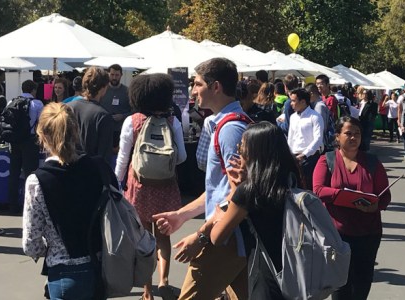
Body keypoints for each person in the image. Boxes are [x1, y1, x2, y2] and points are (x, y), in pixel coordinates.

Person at [152, 58, 249, 300]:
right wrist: (182, 215)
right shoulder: (228, 125)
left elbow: (239, 193)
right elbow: (221, 189)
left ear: (215, 86)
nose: (193, 91)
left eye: (197, 84)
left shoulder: (230, 130)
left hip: (225, 237)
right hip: (232, 236)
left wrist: (201, 236)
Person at [22, 103, 109, 299]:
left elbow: (30, 243)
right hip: (99, 268)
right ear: (76, 130)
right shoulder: (97, 168)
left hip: (63, 272)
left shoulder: (37, 181)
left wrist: (50, 247)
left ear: (41, 135)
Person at [205, 121, 300, 299]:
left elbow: (217, 237)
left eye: (241, 147)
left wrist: (232, 194)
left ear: (254, 152)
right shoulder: (291, 179)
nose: (239, 151)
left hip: (265, 275)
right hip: (297, 270)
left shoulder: (249, 192)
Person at [114, 73, 186, 300]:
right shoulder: (173, 121)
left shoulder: (132, 121)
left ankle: (147, 290)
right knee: (163, 236)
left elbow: (123, 159)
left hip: (139, 187)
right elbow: (182, 156)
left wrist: (117, 184)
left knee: (144, 239)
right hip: (166, 186)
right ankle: (164, 280)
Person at [313, 116, 391, 300]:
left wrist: (375, 205)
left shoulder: (372, 163)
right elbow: (317, 190)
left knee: (362, 282)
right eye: (348, 133)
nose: (354, 137)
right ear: (337, 136)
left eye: (357, 133)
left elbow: (385, 195)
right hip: (337, 234)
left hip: (368, 233)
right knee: (340, 285)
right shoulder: (327, 160)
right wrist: (343, 197)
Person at [7, 80, 44, 214]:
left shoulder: (11, 102)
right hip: (29, 141)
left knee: (14, 173)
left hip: (14, 141)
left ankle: (12, 205)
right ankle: (29, 206)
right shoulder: (37, 103)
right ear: (33, 90)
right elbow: (42, 123)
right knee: (30, 174)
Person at [67, 67, 114, 164]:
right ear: (103, 88)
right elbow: (104, 156)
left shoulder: (68, 108)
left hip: (67, 168)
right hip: (91, 171)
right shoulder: (103, 116)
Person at [100, 64, 131, 150]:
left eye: (117, 75)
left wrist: (123, 116)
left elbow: (134, 110)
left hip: (121, 131)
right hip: (104, 130)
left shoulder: (128, 91)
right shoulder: (102, 90)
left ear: (121, 75)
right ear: (108, 74)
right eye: (112, 74)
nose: (114, 77)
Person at [358, 87, 377, 151]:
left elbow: (372, 115)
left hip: (367, 124)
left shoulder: (372, 104)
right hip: (359, 122)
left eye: (365, 94)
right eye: (363, 93)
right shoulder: (360, 103)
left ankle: (365, 153)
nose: (364, 95)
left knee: (366, 139)